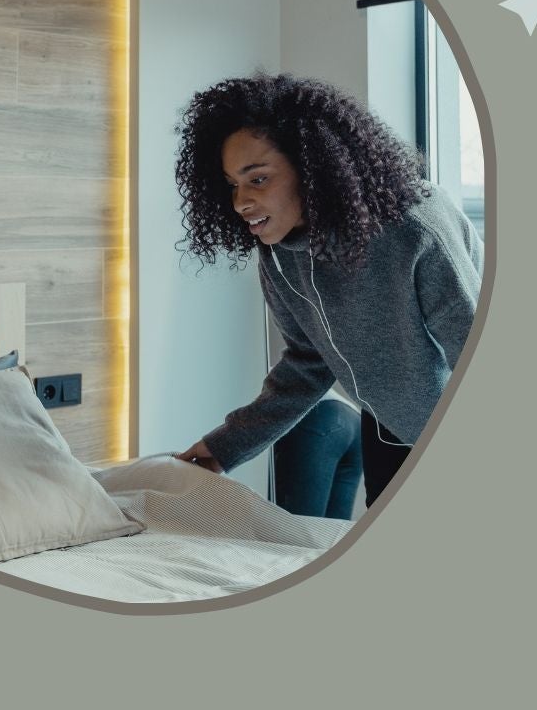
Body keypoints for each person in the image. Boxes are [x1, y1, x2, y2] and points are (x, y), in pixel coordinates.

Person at [170, 73, 483, 510]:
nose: (240, 201)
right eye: (232, 185)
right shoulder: (279, 253)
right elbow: (308, 362)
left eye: (257, 179)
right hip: (388, 427)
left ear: (313, 167)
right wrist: (225, 446)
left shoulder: (415, 229)